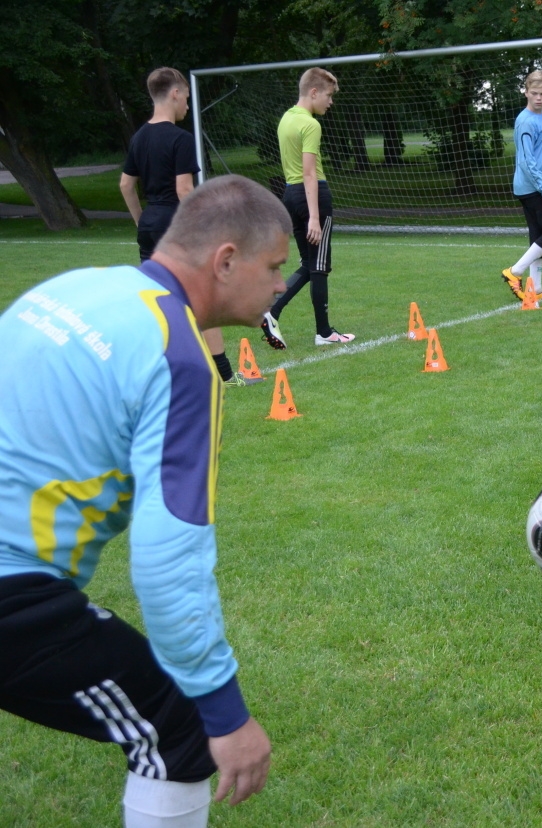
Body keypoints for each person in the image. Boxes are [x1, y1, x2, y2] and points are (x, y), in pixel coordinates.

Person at [0, 175, 288, 827]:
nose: (279, 286)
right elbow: (167, 565)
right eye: (273, 266)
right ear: (225, 261)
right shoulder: (181, 360)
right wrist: (223, 710)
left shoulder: (77, 287)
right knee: (178, 724)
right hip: (9, 586)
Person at [120, 67, 247, 387]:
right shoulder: (180, 139)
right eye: (187, 99)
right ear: (175, 93)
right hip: (177, 226)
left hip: (150, 224)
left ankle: (158, 374)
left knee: (161, 301)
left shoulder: (138, 137)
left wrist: (142, 223)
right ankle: (225, 375)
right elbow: (184, 191)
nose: (188, 106)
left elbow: (125, 185)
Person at [260, 67, 355, 349]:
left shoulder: (286, 119)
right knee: (320, 267)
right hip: (313, 196)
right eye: (328, 95)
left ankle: (271, 312)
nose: (331, 101)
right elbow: (310, 172)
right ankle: (324, 332)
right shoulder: (311, 125)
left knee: (309, 263)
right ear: (313, 92)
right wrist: (315, 216)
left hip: (290, 195)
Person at [501, 69, 542, 302]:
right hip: (532, 187)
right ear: (526, 92)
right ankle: (514, 272)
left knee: (539, 236)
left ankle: (536, 290)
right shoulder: (525, 121)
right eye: (534, 93)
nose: (539, 98)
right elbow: (528, 161)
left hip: (533, 185)